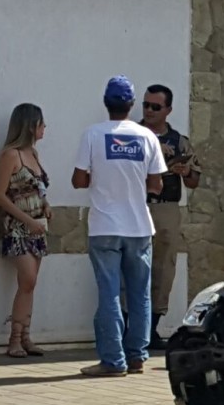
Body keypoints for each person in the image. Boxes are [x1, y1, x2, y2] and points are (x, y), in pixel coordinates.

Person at [72, 75, 167, 377]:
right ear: (132, 105)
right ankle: (137, 356)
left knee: (110, 293)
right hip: (139, 227)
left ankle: (113, 361)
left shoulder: (92, 134)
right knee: (141, 294)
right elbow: (157, 184)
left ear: (106, 103)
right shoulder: (147, 136)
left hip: (104, 227)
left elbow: (78, 180)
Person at [138, 84, 200, 350]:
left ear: (168, 110)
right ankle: (131, 328)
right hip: (137, 205)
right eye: (146, 105)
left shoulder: (179, 140)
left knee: (163, 268)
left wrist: (185, 171)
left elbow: (196, 180)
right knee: (132, 267)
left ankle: (151, 329)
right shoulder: (133, 136)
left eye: (155, 107)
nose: (149, 111)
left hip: (166, 208)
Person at [0, 103, 52, 358]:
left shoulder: (35, 154)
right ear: (30, 126)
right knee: (27, 278)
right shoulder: (11, 155)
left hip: (37, 226)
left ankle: (25, 335)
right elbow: (0, 195)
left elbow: (37, 188)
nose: (44, 129)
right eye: (41, 124)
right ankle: (15, 339)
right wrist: (27, 220)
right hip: (18, 227)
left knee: (30, 284)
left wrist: (46, 206)